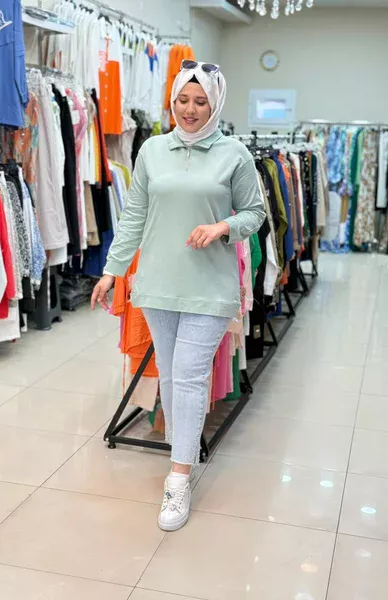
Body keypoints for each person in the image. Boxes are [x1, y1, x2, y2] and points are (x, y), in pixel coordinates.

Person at [91, 60, 265, 531]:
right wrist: (111, 271)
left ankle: (179, 479)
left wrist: (223, 227)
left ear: (215, 104)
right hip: (158, 285)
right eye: (183, 100)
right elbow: (134, 216)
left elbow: (255, 213)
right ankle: (181, 455)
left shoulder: (234, 154)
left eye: (201, 101)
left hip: (210, 287)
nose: (190, 109)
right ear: (172, 102)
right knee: (170, 377)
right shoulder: (152, 150)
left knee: (188, 378)